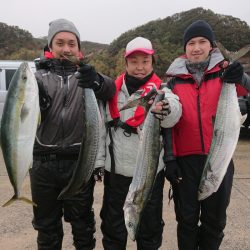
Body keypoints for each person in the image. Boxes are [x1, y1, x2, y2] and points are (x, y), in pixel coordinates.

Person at [163, 20, 250, 250]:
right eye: (191, 43)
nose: (197, 47)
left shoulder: (225, 74)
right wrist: (170, 159)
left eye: (202, 42)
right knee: (186, 220)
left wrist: (240, 76)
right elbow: (167, 124)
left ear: (211, 46)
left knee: (215, 221)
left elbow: (248, 90)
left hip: (220, 158)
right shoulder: (173, 82)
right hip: (185, 163)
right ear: (185, 49)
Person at [29, 18, 116, 250]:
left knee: (83, 226)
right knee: (46, 228)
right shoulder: (36, 78)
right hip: (42, 164)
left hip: (79, 163)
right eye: (60, 43)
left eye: (71, 43)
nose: (66, 48)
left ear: (79, 49)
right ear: (50, 46)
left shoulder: (87, 78)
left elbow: (110, 89)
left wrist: (95, 79)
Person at [96, 36, 182, 250]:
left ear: (152, 63)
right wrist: (98, 162)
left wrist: (165, 107)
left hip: (151, 175)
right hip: (116, 175)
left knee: (150, 231)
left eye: (145, 61)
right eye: (134, 62)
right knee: (113, 231)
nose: (140, 67)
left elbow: (174, 112)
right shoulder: (111, 92)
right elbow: (99, 131)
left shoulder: (162, 90)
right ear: (125, 64)